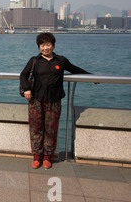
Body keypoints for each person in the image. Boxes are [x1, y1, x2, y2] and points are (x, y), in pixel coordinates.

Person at [20, 32, 92, 170]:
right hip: (36, 100)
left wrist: (91, 77)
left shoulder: (61, 61)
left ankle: (47, 156)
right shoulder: (34, 61)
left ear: (53, 45)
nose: (45, 48)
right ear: (39, 46)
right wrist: (26, 89)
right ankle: (36, 156)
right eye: (42, 45)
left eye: (48, 44)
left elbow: (74, 69)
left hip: (54, 101)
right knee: (36, 128)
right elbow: (23, 75)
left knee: (51, 129)